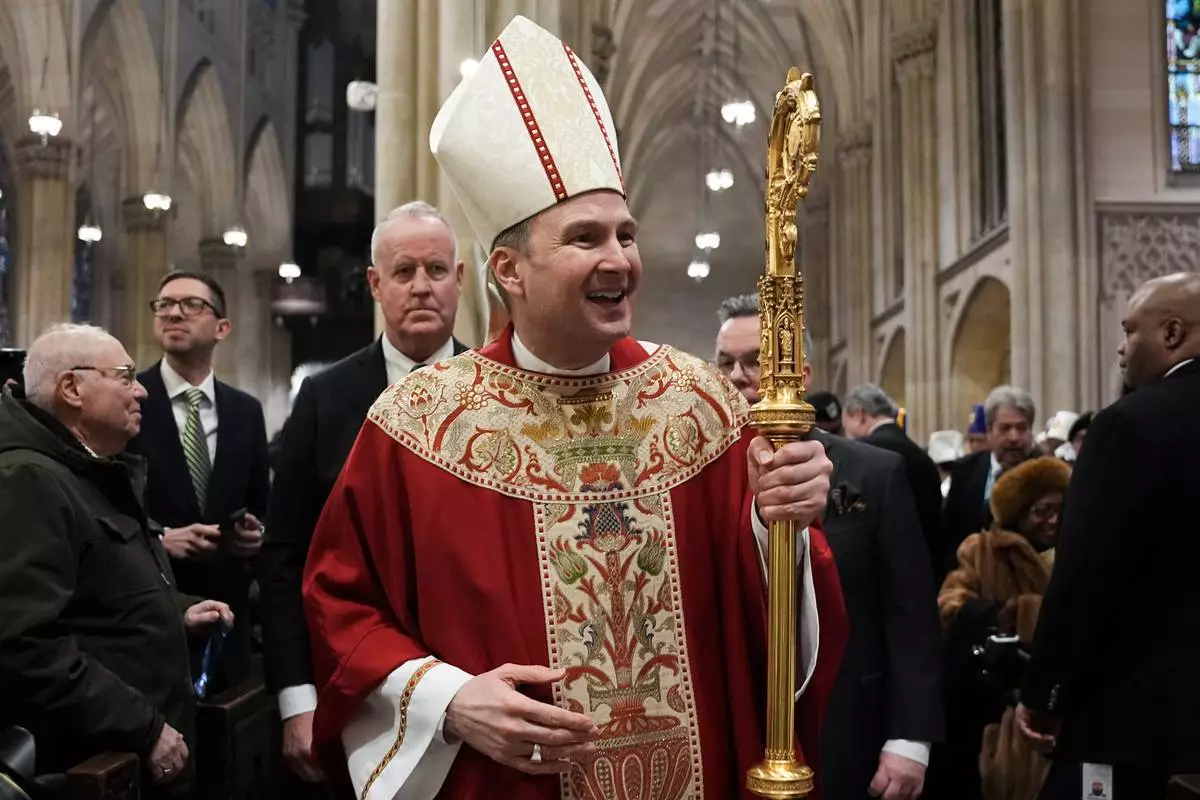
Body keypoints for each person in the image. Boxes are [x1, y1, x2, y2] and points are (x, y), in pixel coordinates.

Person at [303, 17, 848, 800]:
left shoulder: (699, 405)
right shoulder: (418, 424)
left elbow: (759, 615)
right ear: (509, 270)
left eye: (627, 235)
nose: (619, 259)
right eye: (585, 238)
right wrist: (449, 700)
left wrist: (776, 522)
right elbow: (340, 605)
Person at [259, 201, 467, 783]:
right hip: (353, 686)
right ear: (376, 284)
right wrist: (296, 701)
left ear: (459, 278)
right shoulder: (324, 398)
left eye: (436, 269)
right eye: (404, 271)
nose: (421, 286)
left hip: (472, 683)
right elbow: (283, 557)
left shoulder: (501, 392)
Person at [716, 296, 942, 800]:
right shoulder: (702, 476)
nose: (737, 377)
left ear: (800, 374)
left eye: (754, 361)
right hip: (737, 722)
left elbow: (910, 611)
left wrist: (911, 738)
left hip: (849, 722)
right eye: (725, 362)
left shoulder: (875, 472)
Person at [0, 324, 232, 793]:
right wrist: (142, 727)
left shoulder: (84, 469)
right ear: (72, 388)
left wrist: (176, 611)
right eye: (125, 377)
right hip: (96, 762)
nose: (141, 391)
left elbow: (99, 588)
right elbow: (26, 642)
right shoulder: (28, 479)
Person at [1018, 272, 1200, 799]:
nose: (1121, 348)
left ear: (1171, 333)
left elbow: (1085, 575)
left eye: (1129, 331)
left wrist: (1045, 693)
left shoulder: (1131, 424)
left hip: (1139, 722)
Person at [127, 271, 269, 694]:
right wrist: (160, 540)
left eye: (191, 305)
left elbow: (261, 504)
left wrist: (255, 535)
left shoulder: (245, 411)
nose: (174, 313)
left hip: (229, 617)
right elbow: (102, 506)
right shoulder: (130, 400)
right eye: (165, 305)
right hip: (152, 615)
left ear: (222, 327)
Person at [937, 457, 1070, 800]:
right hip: (995, 706)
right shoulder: (983, 549)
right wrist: (1016, 613)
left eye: (1060, 509)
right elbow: (950, 605)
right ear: (1020, 510)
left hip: (1058, 703)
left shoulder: (1076, 551)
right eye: (1042, 510)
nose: (1053, 520)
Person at [843, 382, 945, 580]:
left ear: (860, 415)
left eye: (846, 425)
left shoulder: (859, 455)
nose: (846, 432)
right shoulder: (922, 457)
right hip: (924, 572)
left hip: (877, 574)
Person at [942, 386, 1036, 573]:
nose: (1014, 437)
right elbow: (950, 535)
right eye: (1005, 428)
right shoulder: (965, 471)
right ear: (989, 431)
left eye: (1021, 428)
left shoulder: (1047, 474)